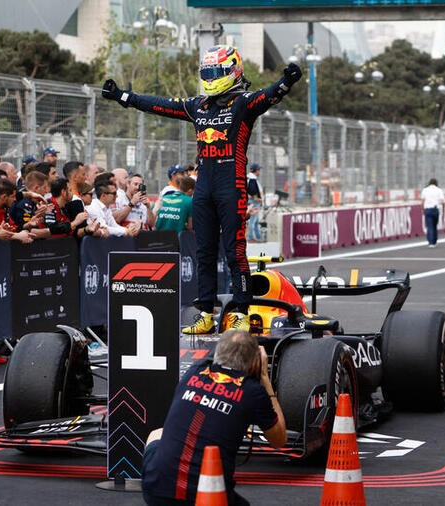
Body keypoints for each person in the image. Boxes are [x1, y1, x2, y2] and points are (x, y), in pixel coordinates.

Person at [102, 45, 301, 333]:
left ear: (233, 72)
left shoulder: (244, 104)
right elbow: (160, 105)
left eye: (215, 72)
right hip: (204, 187)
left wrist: (287, 81)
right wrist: (124, 96)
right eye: (206, 72)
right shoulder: (198, 105)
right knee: (204, 251)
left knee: (235, 251)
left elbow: (269, 95)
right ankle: (206, 311)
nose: (210, 77)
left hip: (231, 185)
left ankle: (240, 312)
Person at [141, 329, 286, 505]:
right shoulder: (253, 392)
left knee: (157, 434)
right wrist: (264, 378)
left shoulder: (193, 372)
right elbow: (279, 440)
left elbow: (220, 356)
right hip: (207, 496)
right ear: (255, 363)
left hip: (155, 491)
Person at [421, 177, 445, 248]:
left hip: (427, 209)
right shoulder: (439, 190)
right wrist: (443, 210)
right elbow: (442, 201)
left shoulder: (425, 190)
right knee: (434, 226)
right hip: (435, 209)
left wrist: (422, 210)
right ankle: (434, 241)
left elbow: (422, 201)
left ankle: (430, 242)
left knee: (429, 226)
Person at [246, 163, 263, 242]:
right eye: (258, 170)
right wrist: (256, 198)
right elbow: (252, 191)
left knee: (255, 221)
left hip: (250, 201)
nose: (259, 172)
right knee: (252, 220)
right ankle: (250, 237)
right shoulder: (252, 179)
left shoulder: (248, 177)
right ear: (256, 171)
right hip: (254, 202)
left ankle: (258, 236)